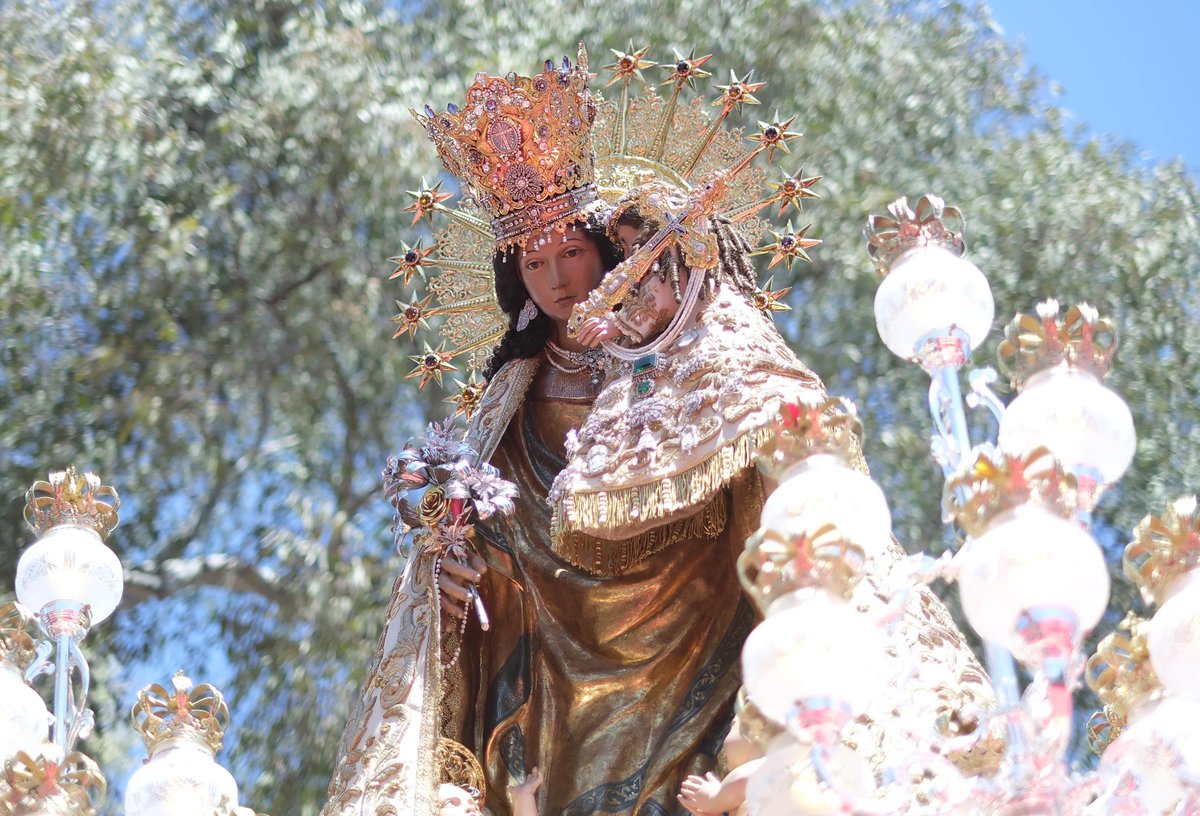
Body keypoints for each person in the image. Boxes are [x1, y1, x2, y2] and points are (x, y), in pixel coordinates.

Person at [324, 45, 995, 816]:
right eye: (535, 262)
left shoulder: (679, 343)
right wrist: (447, 570)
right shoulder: (509, 399)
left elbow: (768, 410)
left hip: (696, 620)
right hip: (549, 664)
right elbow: (488, 532)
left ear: (605, 251)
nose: (558, 277)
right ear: (516, 279)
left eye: (572, 252)